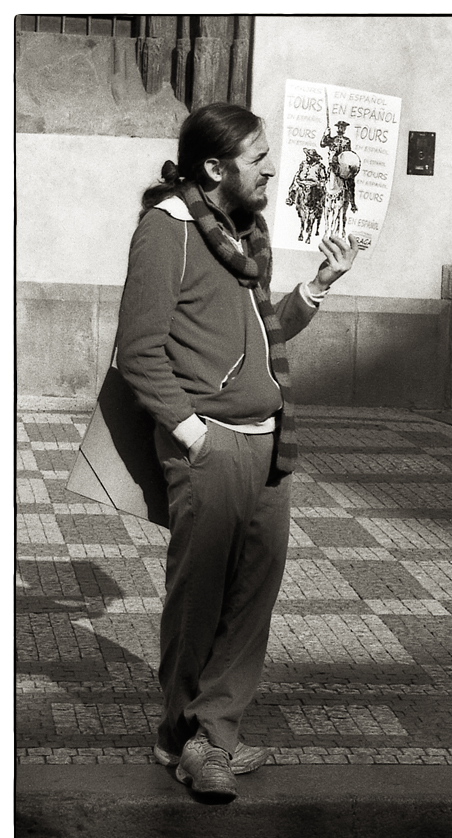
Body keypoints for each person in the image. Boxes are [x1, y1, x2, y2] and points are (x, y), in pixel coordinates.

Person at [116, 102, 358, 802]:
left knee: (253, 599)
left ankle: (213, 734)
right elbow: (139, 350)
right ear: (215, 167)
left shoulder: (247, 236)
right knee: (199, 601)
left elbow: (264, 330)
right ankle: (183, 737)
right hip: (211, 446)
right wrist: (194, 434)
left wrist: (317, 287)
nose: (273, 169)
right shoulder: (168, 229)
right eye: (259, 158)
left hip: (271, 443)